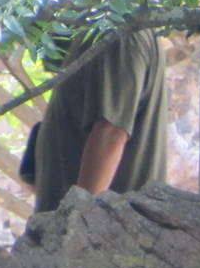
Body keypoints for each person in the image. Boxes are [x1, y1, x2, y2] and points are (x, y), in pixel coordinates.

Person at [31, 29, 168, 214]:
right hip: (88, 228)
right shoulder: (96, 30)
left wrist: (78, 222)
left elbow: (111, 133)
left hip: (107, 233)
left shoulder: (117, 32)